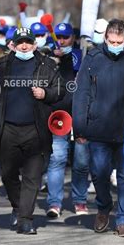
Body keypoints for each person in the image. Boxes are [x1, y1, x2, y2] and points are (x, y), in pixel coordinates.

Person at [72, 19, 124, 237]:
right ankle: (104, 207)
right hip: (99, 128)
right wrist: (79, 127)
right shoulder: (93, 58)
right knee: (99, 173)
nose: (114, 45)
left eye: (119, 41)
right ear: (105, 38)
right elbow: (82, 94)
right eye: (111, 41)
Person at [0, 27, 64, 234]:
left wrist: (45, 93)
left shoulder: (46, 65)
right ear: (13, 45)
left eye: (28, 42)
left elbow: (60, 90)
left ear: (34, 44)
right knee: (7, 174)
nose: (24, 45)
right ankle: (19, 207)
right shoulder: (1, 66)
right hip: (8, 129)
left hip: (35, 130)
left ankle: (25, 220)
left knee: (32, 177)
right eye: (20, 42)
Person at [45, 23, 90, 218]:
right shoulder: (48, 57)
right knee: (57, 159)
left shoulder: (82, 54)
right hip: (58, 115)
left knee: (80, 161)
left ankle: (80, 201)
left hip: (80, 115)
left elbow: (79, 70)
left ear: (73, 37)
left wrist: (66, 58)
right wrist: (53, 59)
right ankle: (54, 203)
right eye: (59, 37)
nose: (62, 41)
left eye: (66, 37)